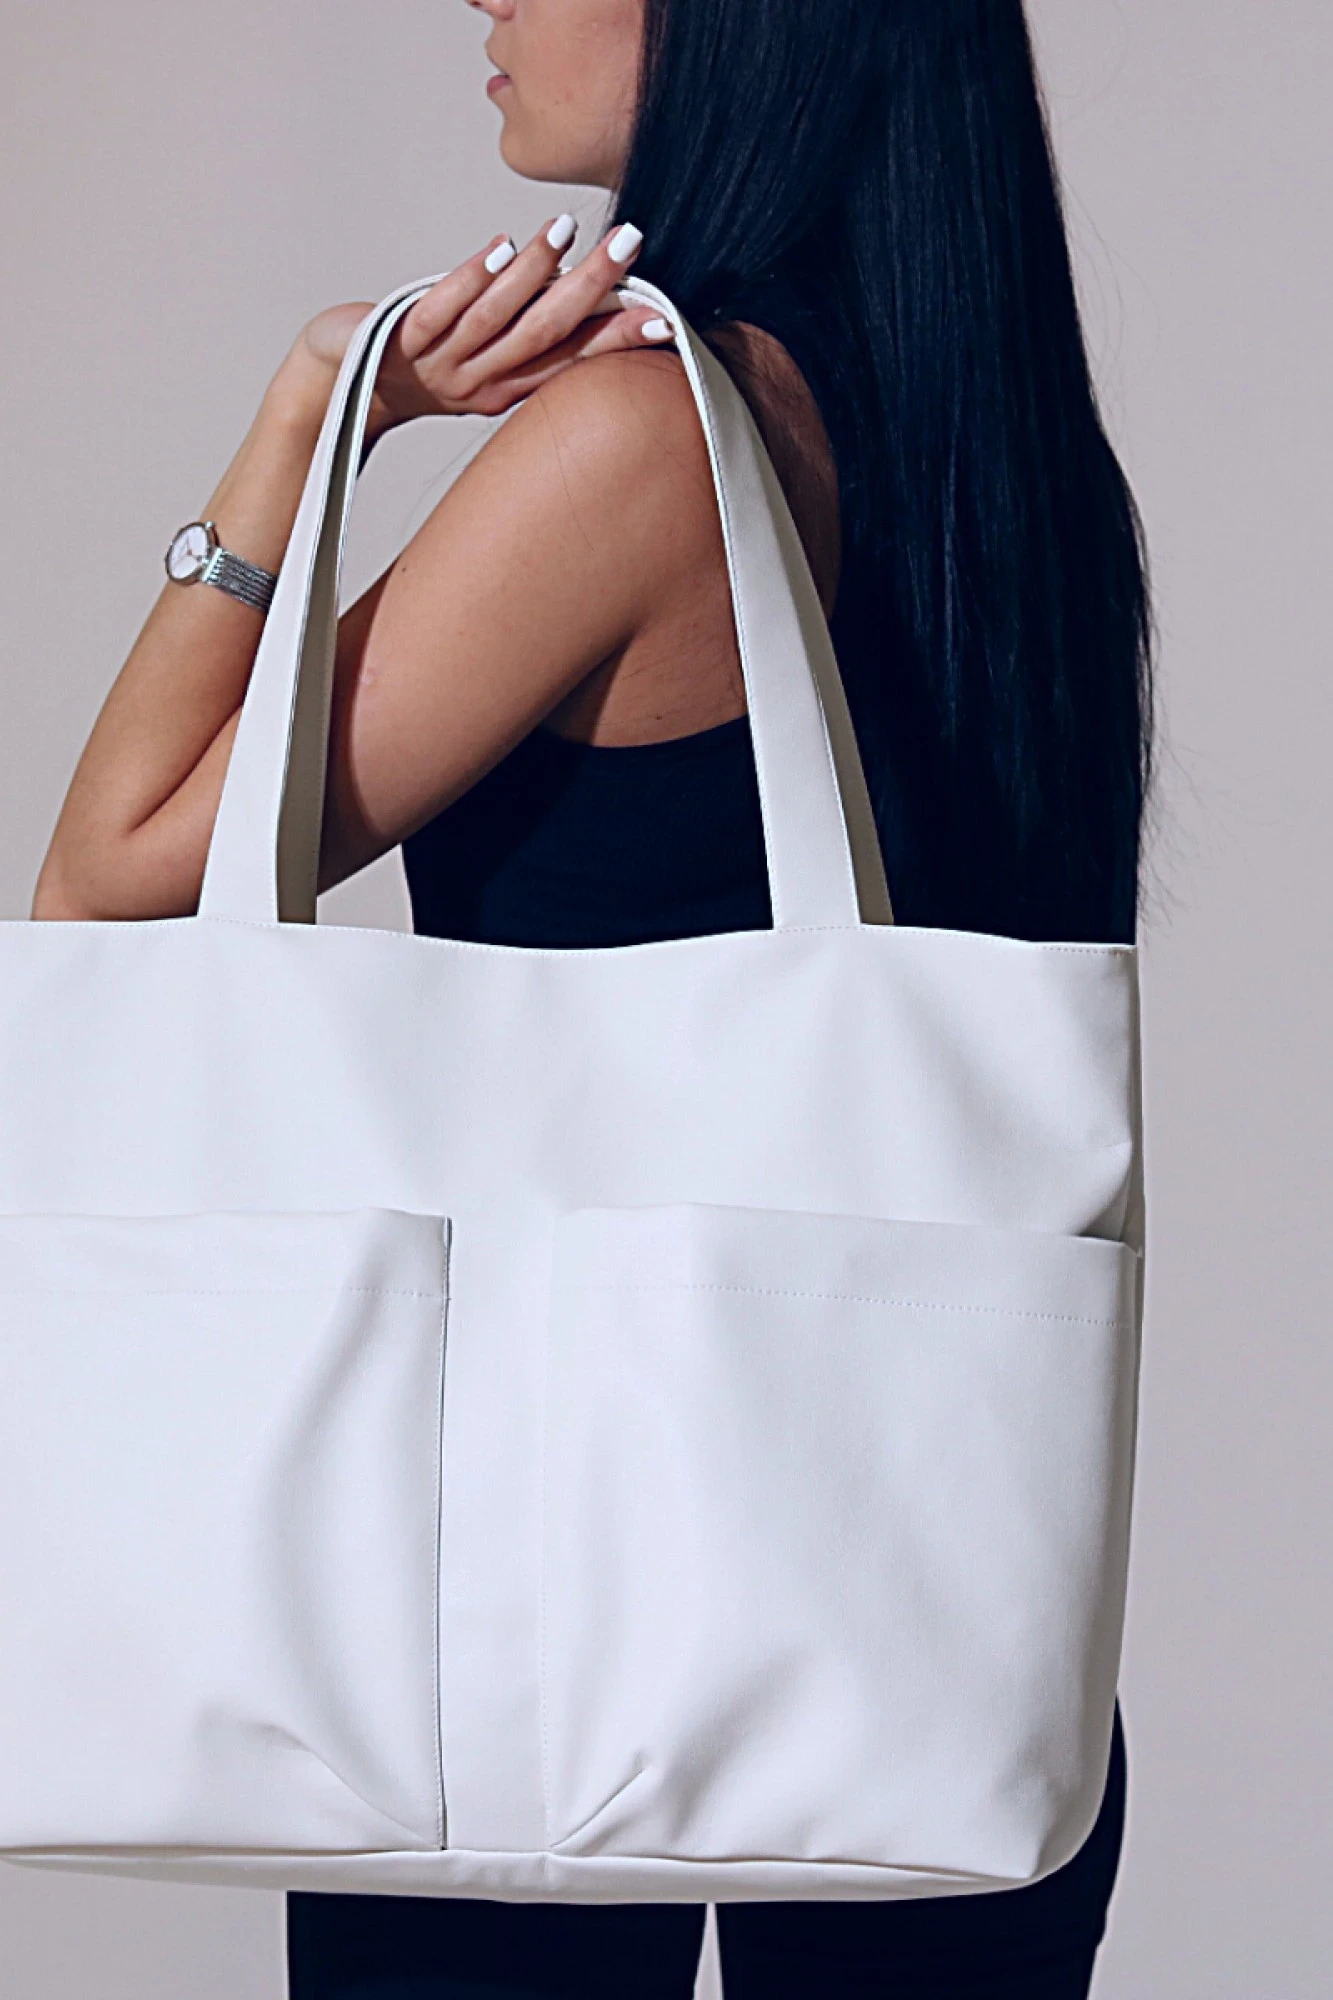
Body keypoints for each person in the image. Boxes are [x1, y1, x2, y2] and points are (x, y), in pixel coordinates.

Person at [33, 0, 1151, 1992]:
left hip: (533, 1641)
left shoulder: (641, 449)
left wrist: (306, 416)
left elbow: (112, 881)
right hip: (921, 1629)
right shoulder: (1004, 449)